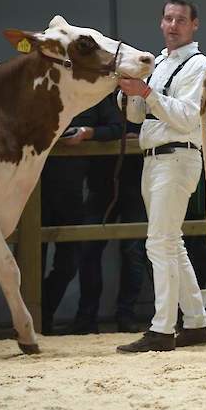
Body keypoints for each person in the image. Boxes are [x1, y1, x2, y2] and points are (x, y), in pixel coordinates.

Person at [116, 0, 206, 352]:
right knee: (171, 243)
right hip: (154, 157)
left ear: (194, 25)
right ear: (161, 22)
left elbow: (191, 116)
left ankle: (161, 329)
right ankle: (196, 324)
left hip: (177, 157)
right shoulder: (157, 63)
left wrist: (146, 92)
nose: (172, 26)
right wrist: (129, 93)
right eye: (168, 19)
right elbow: (136, 116)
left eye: (180, 20)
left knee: (159, 243)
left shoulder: (200, 66)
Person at [40, 98, 127, 334]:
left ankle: (42, 315)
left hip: (72, 193)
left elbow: (118, 128)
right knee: (29, 262)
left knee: (68, 265)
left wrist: (87, 133)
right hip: (33, 192)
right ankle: (38, 321)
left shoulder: (93, 96)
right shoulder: (39, 89)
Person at [68, 94, 147, 335]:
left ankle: (126, 314)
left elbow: (140, 128)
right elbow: (109, 127)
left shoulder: (144, 94)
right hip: (101, 184)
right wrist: (105, 133)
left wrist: (100, 133)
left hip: (135, 183)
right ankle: (87, 317)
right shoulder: (98, 96)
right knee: (89, 250)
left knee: (134, 252)